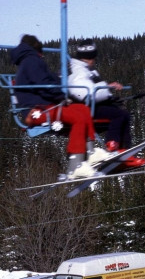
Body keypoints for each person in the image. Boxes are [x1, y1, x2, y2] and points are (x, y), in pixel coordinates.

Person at [10, 34, 97, 176]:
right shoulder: (31, 61)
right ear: (37, 50)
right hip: (36, 111)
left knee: (83, 110)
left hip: (43, 106)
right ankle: (75, 164)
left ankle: (92, 153)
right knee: (78, 117)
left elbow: (47, 81)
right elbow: (44, 84)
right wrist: (61, 96)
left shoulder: (29, 62)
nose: (43, 57)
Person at [68, 40, 145, 169]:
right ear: (90, 57)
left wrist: (109, 93)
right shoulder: (79, 71)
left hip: (88, 106)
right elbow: (84, 93)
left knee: (123, 115)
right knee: (119, 115)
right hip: (85, 109)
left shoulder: (85, 70)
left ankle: (123, 152)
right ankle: (114, 146)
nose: (94, 60)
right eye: (92, 57)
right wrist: (107, 87)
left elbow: (92, 90)